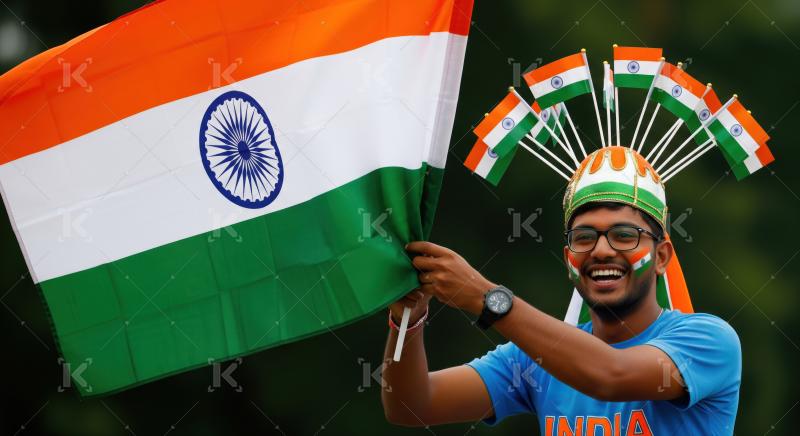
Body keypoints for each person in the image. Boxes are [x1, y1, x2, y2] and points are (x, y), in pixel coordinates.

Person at [381, 146, 741, 435]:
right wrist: (407, 317)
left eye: (624, 235)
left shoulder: (709, 340)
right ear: (568, 257)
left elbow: (611, 375)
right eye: (584, 237)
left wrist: (487, 299)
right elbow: (410, 405)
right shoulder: (534, 357)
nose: (602, 250)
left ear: (661, 256)